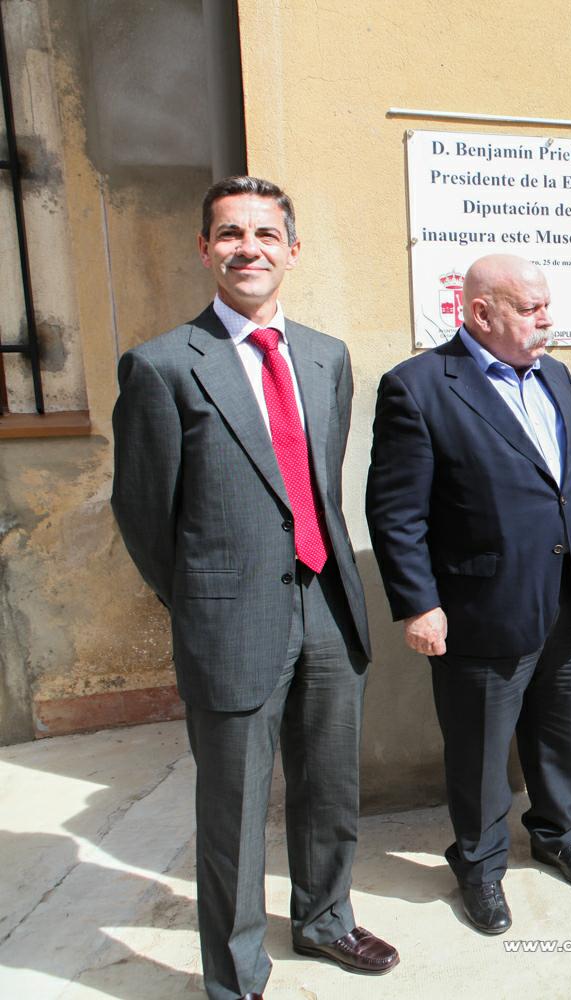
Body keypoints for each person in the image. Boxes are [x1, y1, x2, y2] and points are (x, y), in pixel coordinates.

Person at [110, 176, 398, 1000]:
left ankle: (326, 919)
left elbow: (318, 482)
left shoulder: (324, 355)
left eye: (266, 235)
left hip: (327, 606)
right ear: (205, 250)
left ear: (292, 251)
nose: (249, 249)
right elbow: (143, 515)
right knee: (234, 810)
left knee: (330, 784)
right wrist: (203, 601)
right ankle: (236, 974)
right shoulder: (164, 367)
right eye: (230, 234)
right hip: (229, 619)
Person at [365, 254, 571, 935]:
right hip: (479, 607)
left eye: (545, 305)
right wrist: (419, 602)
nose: (547, 318)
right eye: (531, 308)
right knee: (479, 752)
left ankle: (558, 833)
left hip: (564, 597)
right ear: (480, 314)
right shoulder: (418, 387)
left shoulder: (556, 376)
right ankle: (479, 865)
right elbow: (396, 511)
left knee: (562, 736)